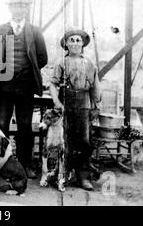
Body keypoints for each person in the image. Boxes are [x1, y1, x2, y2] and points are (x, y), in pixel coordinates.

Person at [0, 0, 48, 179]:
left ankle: (24, 165)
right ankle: (0, 164)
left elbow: (42, 58)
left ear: (27, 8)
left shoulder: (34, 31)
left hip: (26, 87)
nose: (19, 9)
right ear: (10, 8)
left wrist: (26, 72)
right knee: (2, 124)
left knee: (25, 125)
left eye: (22, 5)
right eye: (15, 5)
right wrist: (5, 69)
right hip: (4, 87)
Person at [48, 27, 101, 191]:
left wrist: (96, 106)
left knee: (84, 140)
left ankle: (83, 176)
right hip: (67, 100)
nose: (75, 43)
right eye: (72, 40)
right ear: (66, 44)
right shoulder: (61, 62)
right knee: (65, 140)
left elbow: (95, 87)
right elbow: (52, 84)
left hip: (84, 102)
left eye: (78, 40)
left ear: (83, 44)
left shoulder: (90, 63)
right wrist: (57, 101)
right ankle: (62, 174)